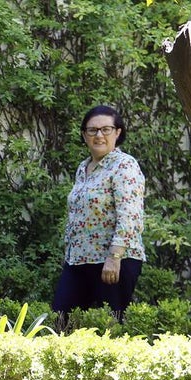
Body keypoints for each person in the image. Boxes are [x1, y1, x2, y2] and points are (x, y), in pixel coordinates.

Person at [51, 105, 145, 326]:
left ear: (118, 132)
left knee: (109, 327)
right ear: (84, 135)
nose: (99, 135)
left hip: (113, 262)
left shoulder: (124, 165)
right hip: (79, 260)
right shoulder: (84, 168)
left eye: (106, 129)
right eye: (92, 130)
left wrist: (114, 258)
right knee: (61, 321)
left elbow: (129, 215)